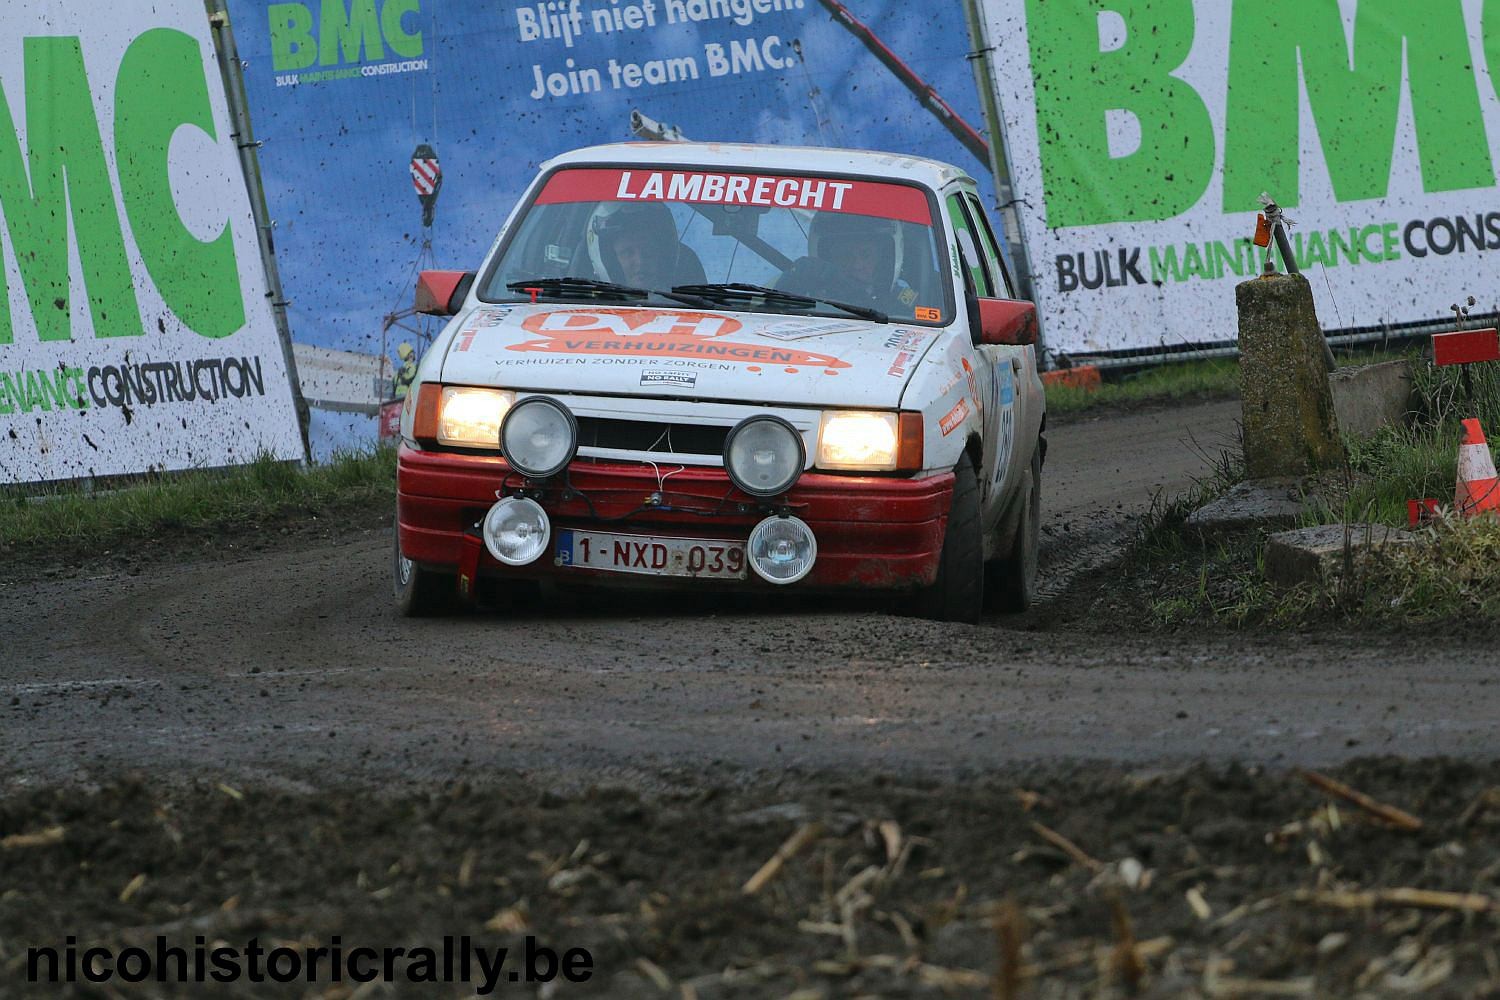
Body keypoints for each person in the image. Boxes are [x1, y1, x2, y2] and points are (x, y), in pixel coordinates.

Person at [784, 213, 916, 312]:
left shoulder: (905, 305)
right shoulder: (801, 290)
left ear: (883, 258)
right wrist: (793, 281)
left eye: (866, 255)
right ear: (829, 259)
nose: (857, 265)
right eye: (845, 256)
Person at [591, 204, 705, 289]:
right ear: (611, 259)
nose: (640, 261)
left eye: (648, 251)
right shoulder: (586, 304)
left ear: (662, 256)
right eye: (627, 253)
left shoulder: (698, 307)